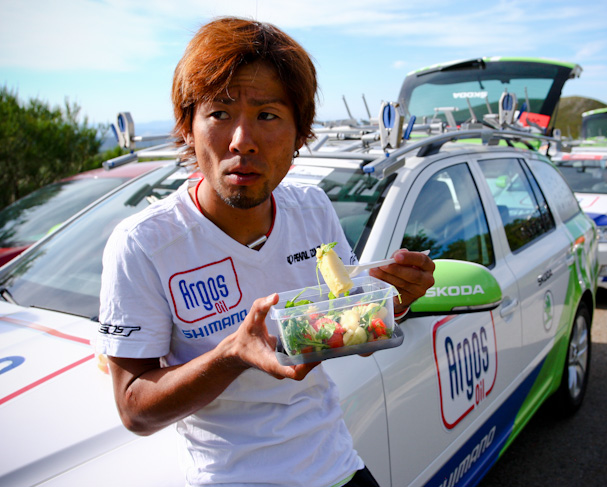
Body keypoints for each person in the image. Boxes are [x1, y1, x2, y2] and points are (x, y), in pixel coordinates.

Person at [94, 17, 435, 487]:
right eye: (218, 113)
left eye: (268, 115)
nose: (242, 140)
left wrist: (390, 302)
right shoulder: (144, 243)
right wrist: (231, 354)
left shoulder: (312, 209)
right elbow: (134, 409)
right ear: (188, 129)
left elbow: (346, 331)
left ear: (299, 135)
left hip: (336, 466)